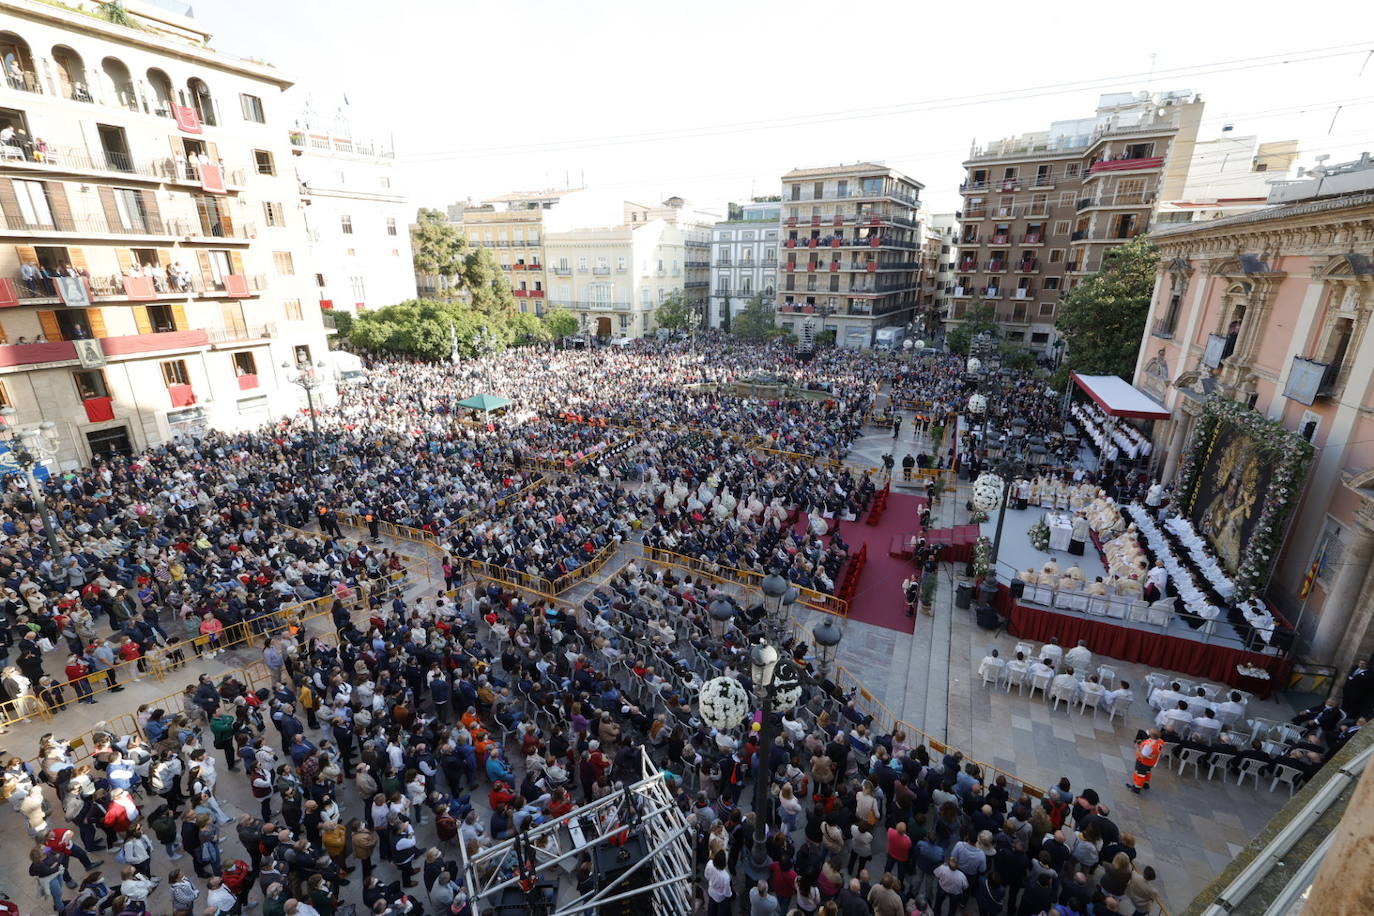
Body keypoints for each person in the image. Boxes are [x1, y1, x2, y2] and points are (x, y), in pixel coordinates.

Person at [1129, 729, 1165, 794]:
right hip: (1151, 762)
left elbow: (1142, 756)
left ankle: (1137, 788)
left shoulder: (1149, 746)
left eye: (1149, 732)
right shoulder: (1161, 741)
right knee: (1148, 772)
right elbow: (1161, 751)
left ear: (1151, 736)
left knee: (1140, 774)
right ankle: (1146, 784)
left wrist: (1137, 748)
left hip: (1143, 762)